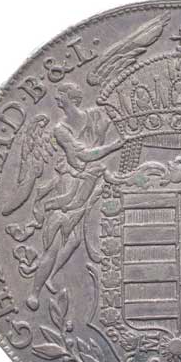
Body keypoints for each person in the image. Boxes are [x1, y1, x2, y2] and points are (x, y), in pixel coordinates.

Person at [25, 83, 124, 310]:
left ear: (72, 98)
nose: (57, 100)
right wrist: (114, 146)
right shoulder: (61, 130)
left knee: (74, 240)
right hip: (70, 183)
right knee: (55, 241)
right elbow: (82, 155)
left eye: (61, 95)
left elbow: (117, 117)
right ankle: (34, 292)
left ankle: (51, 276)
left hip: (89, 179)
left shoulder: (96, 116)